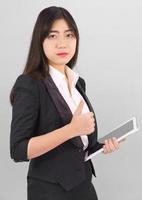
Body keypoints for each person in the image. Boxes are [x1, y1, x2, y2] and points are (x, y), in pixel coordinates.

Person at [9, 6, 125, 200]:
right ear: (40, 41)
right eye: (53, 36)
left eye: (69, 35)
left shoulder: (77, 82)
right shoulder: (29, 84)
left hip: (84, 185)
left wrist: (102, 145)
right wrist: (71, 129)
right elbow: (18, 150)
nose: (62, 43)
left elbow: (78, 143)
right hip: (50, 191)